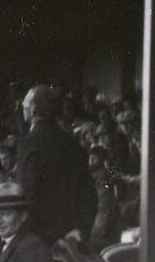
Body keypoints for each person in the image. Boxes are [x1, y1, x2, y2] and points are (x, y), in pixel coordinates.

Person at [17, 85, 97, 247]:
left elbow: (28, 195)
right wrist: (80, 230)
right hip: (72, 240)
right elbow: (89, 194)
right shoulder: (73, 143)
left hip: (40, 242)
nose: (22, 106)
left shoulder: (29, 144)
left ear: (33, 109)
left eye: (24, 102)